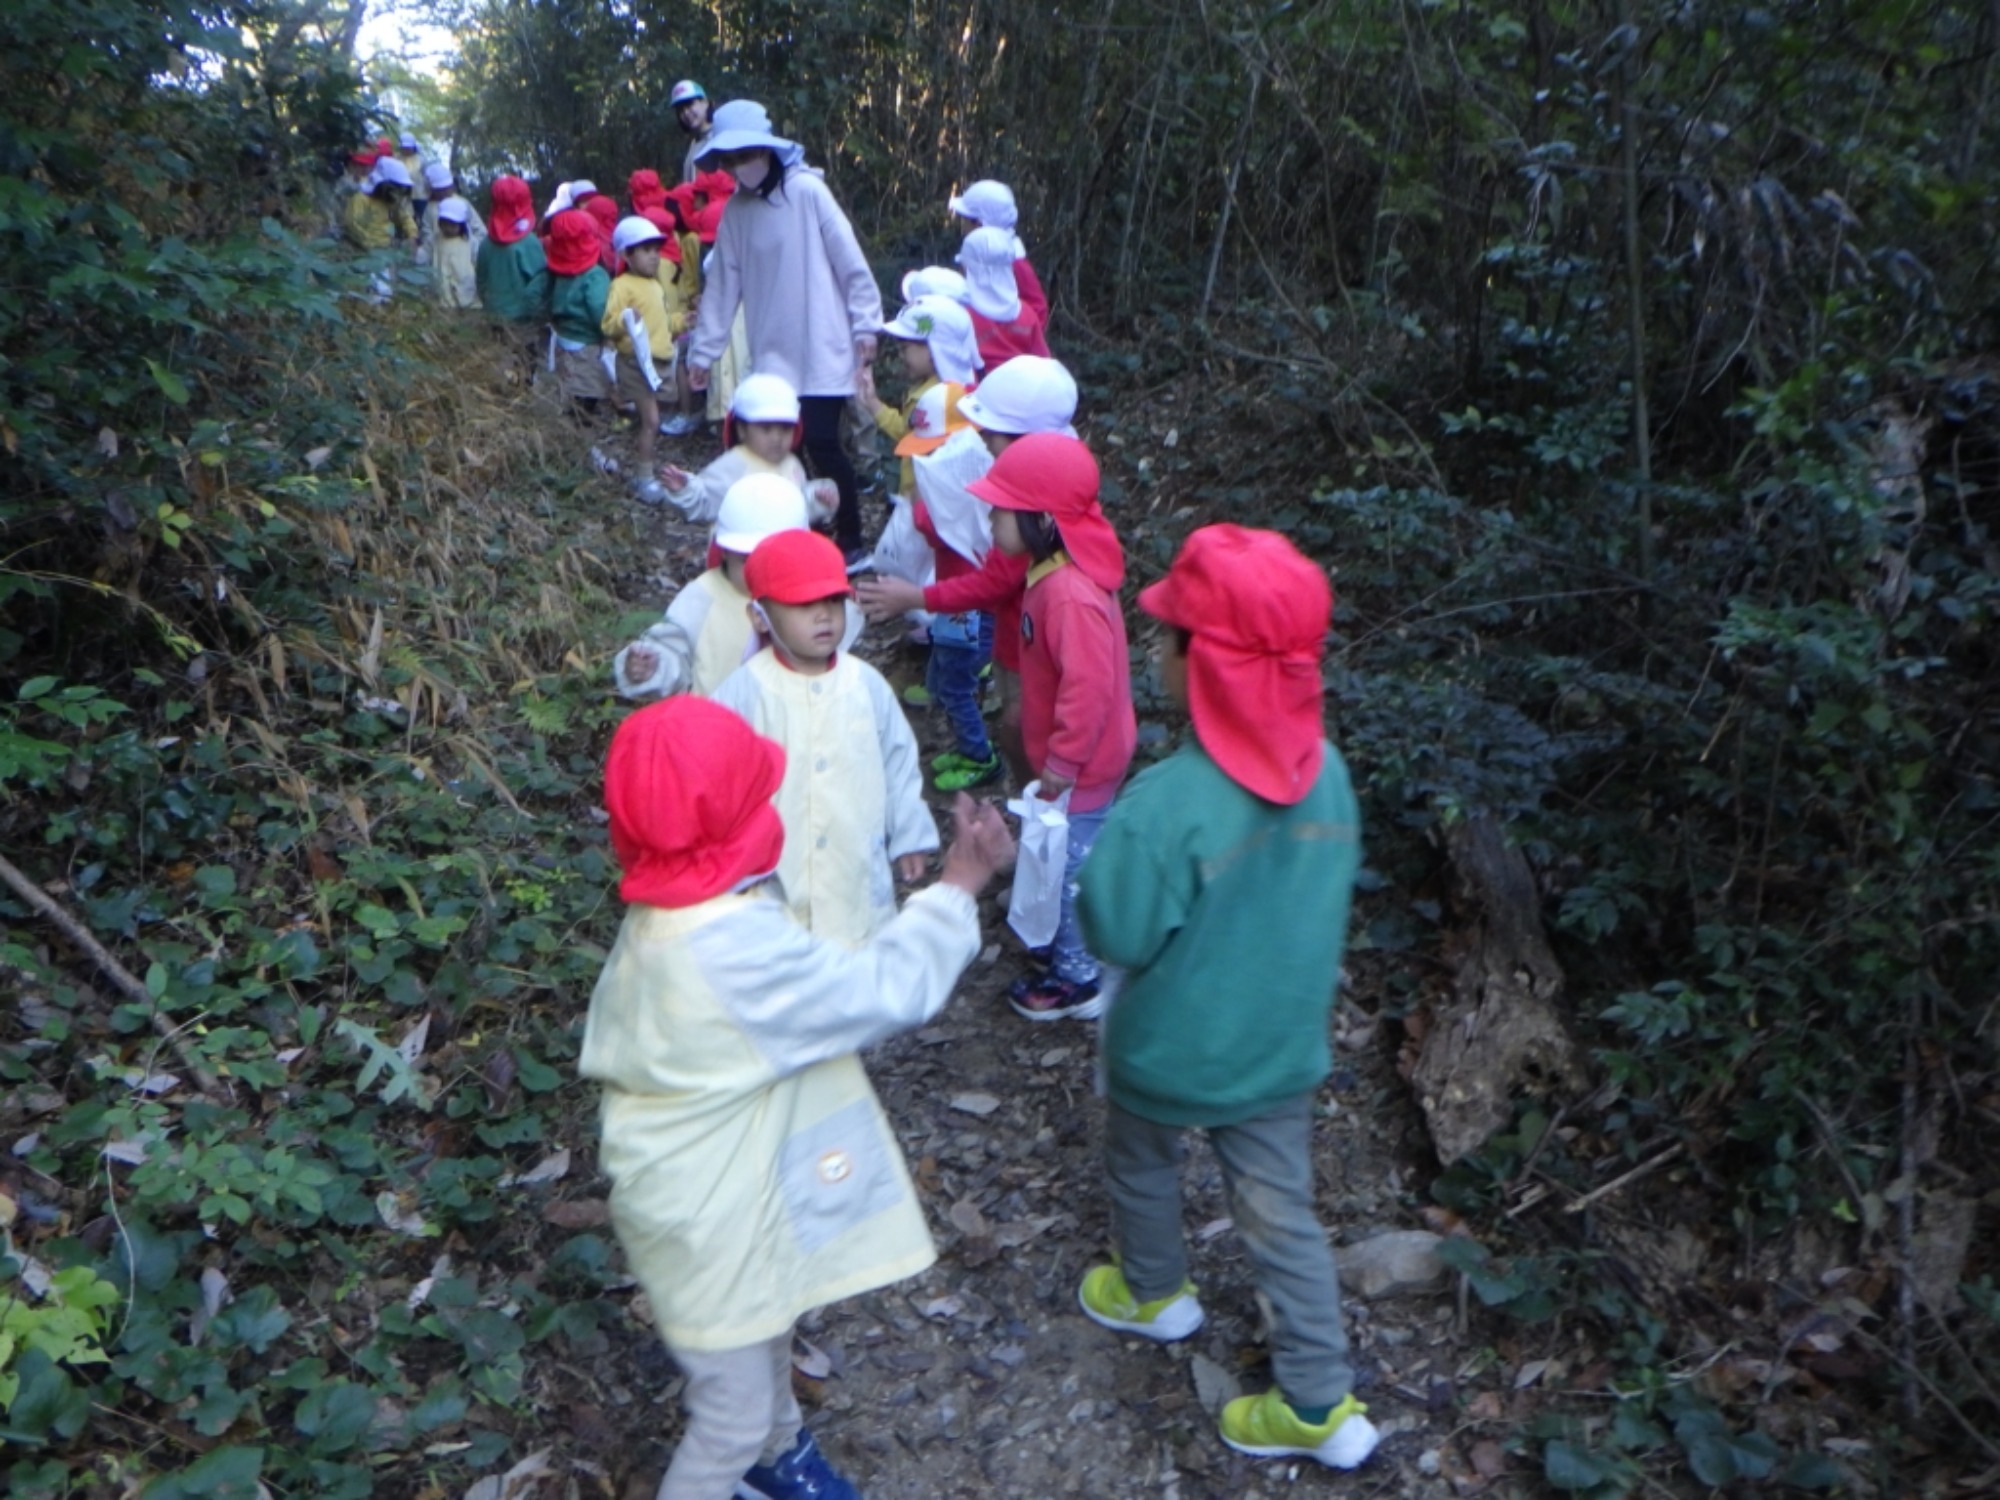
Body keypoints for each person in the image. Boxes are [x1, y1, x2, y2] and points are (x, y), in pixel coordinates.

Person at [582, 693, 1015, 1500]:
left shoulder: (670, 911)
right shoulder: (729, 944)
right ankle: (755, 1450)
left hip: (708, 1191)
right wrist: (960, 883)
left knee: (766, 1322)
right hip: (708, 1220)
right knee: (728, 1418)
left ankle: (779, 1450)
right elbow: (885, 989)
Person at [1072, 525, 1380, 1474]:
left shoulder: (1168, 802)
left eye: (1166, 636)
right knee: (1283, 1215)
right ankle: (1320, 1404)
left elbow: (1116, 935)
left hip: (1165, 1054)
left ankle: (1155, 1294)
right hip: (1280, 1051)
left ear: (1202, 664)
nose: (1153, 648)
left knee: (1143, 1166)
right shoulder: (1326, 772)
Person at [965, 433, 1134, 1019]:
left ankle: (1079, 979)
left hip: (1079, 766)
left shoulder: (1068, 595)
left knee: (1069, 869)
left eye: (1000, 508)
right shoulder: (1052, 574)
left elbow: (1088, 690)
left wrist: (1061, 766)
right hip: (1066, 761)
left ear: (1041, 519)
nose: (990, 517)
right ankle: (1063, 947)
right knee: (1060, 857)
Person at [854, 355, 1080, 786]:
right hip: (993, 620)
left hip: (996, 621)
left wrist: (915, 595)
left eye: (992, 435)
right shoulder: (1005, 487)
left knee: (1003, 704)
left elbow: (989, 574)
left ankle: (992, 765)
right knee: (982, 685)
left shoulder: (1020, 509)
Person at [711, 530, 937, 946]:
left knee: (857, 968)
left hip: (854, 868)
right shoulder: (742, 693)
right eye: (803, 604)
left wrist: (909, 833)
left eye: (833, 601)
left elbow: (899, 761)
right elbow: (712, 778)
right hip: (775, 878)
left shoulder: (864, 685)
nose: (824, 616)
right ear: (760, 616)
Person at [685, 101, 884, 572]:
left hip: (821, 342)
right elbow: (723, 287)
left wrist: (866, 324)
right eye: (728, 161)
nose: (737, 168)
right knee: (779, 450)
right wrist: (705, 349)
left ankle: (851, 539)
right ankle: (795, 537)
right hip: (772, 351)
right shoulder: (737, 210)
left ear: (766, 150)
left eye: (743, 156)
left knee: (821, 441)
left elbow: (849, 260)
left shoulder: (808, 191)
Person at [614, 473, 826, 701]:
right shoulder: (702, 597)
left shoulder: (812, 597)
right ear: (725, 552)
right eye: (748, 561)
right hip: (714, 726)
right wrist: (653, 667)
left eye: (775, 562)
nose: (761, 573)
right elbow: (673, 646)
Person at [894, 384, 1003, 793]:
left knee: (957, 685)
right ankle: (965, 742)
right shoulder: (981, 469)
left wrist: (919, 500)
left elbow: (932, 526)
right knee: (947, 669)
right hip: (957, 599)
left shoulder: (958, 483)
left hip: (966, 604)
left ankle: (979, 756)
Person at [655, 372, 834, 526]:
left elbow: (797, 504)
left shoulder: (792, 463)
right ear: (741, 429)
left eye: (785, 429)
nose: (777, 438)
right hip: (742, 554)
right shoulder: (733, 465)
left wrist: (816, 500)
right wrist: (686, 489)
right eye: (766, 429)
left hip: (786, 552)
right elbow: (706, 500)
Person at [857, 293, 982, 505]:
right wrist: (873, 402)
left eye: (905, 349)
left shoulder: (941, 399)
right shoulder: (936, 390)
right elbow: (909, 433)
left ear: (934, 350)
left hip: (925, 500)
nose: (901, 356)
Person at [601, 215, 677, 502]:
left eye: (656, 250)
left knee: (653, 420)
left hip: (657, 362)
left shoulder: (655, 286)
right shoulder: (622, 286)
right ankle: (643, 478)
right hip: (635, 363)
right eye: (645, 250)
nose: (654, 256)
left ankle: (644, 469)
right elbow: (608, 324)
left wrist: (683, 322)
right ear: (626, 255)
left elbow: (664, 322)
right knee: (652, 421)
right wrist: (624, 319)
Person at [949, 179, 1048, 327]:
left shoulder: (1012, 262)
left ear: (978, 223)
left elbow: (1038, 310)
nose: (962, 227)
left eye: (965, 220)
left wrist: (1005, 337)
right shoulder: (980, 253)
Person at [545, 209, 612, 412]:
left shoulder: (555, 270)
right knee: (587, 393)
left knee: (567, 388)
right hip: (588, 343)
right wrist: (609, 333)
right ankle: (584, 427)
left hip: (561, 339)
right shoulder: (595, 275)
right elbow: (599, 309)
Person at [475, 176, 551, 354]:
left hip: (494, 319)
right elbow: (540, 282)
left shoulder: (486, 244)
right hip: (524, 322)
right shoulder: (529, 242)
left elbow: (481, 281)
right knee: (525, 364)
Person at [957, 225, 1049, 369]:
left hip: (977, 388)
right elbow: (1044, 362)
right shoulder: (1027, 314)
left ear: (968, 268)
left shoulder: (961, 313)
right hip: (1024, 386)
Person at [344, 156, 418, 252]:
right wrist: (373, 244)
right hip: (363, 252)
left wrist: (412, 235)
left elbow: (405, 218)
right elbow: (353, 226)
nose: (396, 191)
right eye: (395, 187)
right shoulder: (361, 199)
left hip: (387, 249)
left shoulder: (391, 201)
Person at [430, 197, 480, 308]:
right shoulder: (437, 239)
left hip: (464, 280)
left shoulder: (469, 241)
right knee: (444, 298)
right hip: (443, 278)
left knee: (466, 300)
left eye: (453, 225)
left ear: (461, 225)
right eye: (444, 224)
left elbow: (476, 257)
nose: (447, 228)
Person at [670, 79, 713, 183]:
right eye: (680, 109)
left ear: (705, 103)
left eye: (689, 105)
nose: (686, 113)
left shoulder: (722, 137)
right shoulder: (694, 145)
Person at [396, 133, 429, 220]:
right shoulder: (396, 159)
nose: (406, 150)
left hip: (420, 195)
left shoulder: (421, 160)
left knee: (421, 218)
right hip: (402, 196)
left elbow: (426, 177)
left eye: (408, 147)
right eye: (404, 148)